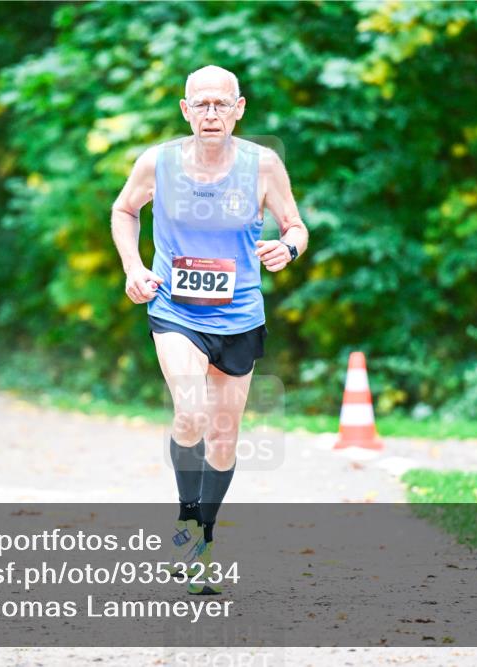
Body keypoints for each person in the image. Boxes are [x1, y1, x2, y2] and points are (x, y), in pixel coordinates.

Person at [111, 65, 308, 594]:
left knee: (222, 438)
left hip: (239, 315)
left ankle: (205, 534)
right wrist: (134, 267)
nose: (211, 113)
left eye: (222, 103)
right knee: (191, 411)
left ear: (239, 109)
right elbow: (124, 210)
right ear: (185, 110)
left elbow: (296, 227)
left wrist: (286, 249)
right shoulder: (157, 163)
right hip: (175, 310)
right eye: (201, 104)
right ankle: (187, 520)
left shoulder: (263, 165)